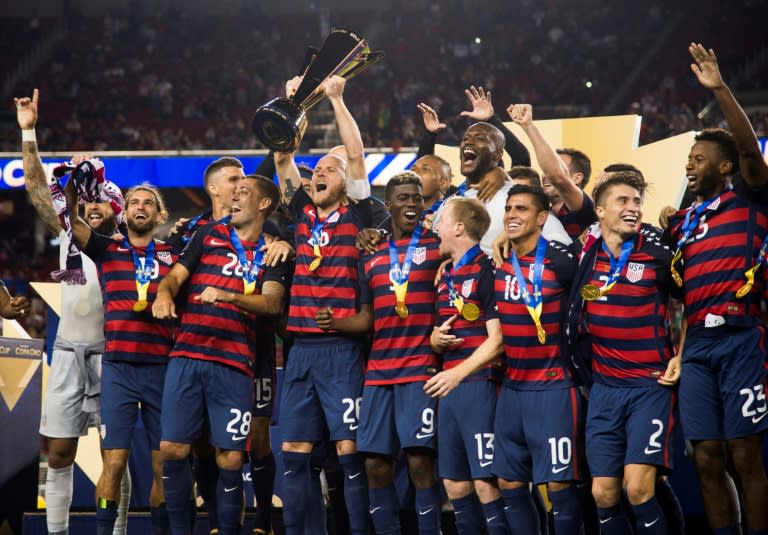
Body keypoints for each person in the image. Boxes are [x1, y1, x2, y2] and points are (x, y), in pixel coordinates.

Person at [662, 43, 768, 535]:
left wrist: (720, 88)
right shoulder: (683, 222)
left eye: (699, 158)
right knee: (706, 458)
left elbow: (748, 149)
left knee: (744, 454)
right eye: (688, 158)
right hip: (698, 345)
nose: (690, 165)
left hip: (743, 337)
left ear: (724, 168)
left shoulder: (749, 197)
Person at [15, 88, 131, 535]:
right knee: (60, 454)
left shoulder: (127, 249)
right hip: (67, 354)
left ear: (116, 207)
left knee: (113, 457)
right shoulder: (70, 239)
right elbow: (37, 188)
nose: (91, 205)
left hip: (113, 359)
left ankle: (117, 532)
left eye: (102, 200)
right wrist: (29, 133)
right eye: (88, 201)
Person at [152, 174, 289, 535]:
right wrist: (164, 294)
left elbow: (272, 302)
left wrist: (230, 297)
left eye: (244, 193)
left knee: (230, 455)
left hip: (234, 363)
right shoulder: (207, 235)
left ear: (262, 204)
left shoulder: (272, 251)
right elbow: (175, 276)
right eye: (234, 191)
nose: (234, 197)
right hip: (188, 356)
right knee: (172, 449)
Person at [274, 142, 387, 535]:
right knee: (293, 452)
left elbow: (356, 156)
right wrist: (295, 108)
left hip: (343, 351)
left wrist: (336, 98)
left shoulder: (359, 216)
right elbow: (282, 158)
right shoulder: (302, 214)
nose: (320, 174)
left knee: (349, 451)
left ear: (348, 182)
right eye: (317, 169)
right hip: (301, 350)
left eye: (331, 170)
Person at [570, 173, 682, 534]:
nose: (633, 208)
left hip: (650, 386)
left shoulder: (658, 255)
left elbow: (695, 299)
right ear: (599, 211)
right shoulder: (583, 255)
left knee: (637, 487)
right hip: (603, 389)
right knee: (603, 492)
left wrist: (682, 351)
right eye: (623, 201)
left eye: (637, 201)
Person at [64, 177, 176, 535]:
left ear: (160, 215)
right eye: (134, 203)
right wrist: (71, 192)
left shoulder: (173, 256)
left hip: (162, 369)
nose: (140, 207)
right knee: (113, 463)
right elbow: (74, 224)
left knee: (163, 467)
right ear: (124, 214)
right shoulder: (107, 250)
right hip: (119, 371)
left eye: (148, 203)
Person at [354, 171, 444, 535]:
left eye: (416, 198)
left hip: (420, 367)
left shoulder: (439, 247)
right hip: (378, 371)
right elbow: (365, 316)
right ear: (387, 204)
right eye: (403, 198)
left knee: (419, 459)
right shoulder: (371, 254)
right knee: (375, 463)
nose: (411, 203)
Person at [492, 184, 583, 534]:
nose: (512, 215)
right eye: (509, 209)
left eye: (522, 209)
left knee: (559, 486)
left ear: (542, 218)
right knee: (509, 484)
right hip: (512, 390)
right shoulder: (497, 263)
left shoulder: (563, 261)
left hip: (555, 388)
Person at [424, 197, 507, 534]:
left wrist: (458, 374)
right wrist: (434, 340)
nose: (436, 226)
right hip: (451, 388)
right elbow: (442, 328)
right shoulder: (445, 275)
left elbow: (497, 339)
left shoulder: (488, 269)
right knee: (455, 485)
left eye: (442, 220)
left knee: (487, 483)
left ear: (459, 227)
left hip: (479, 385)